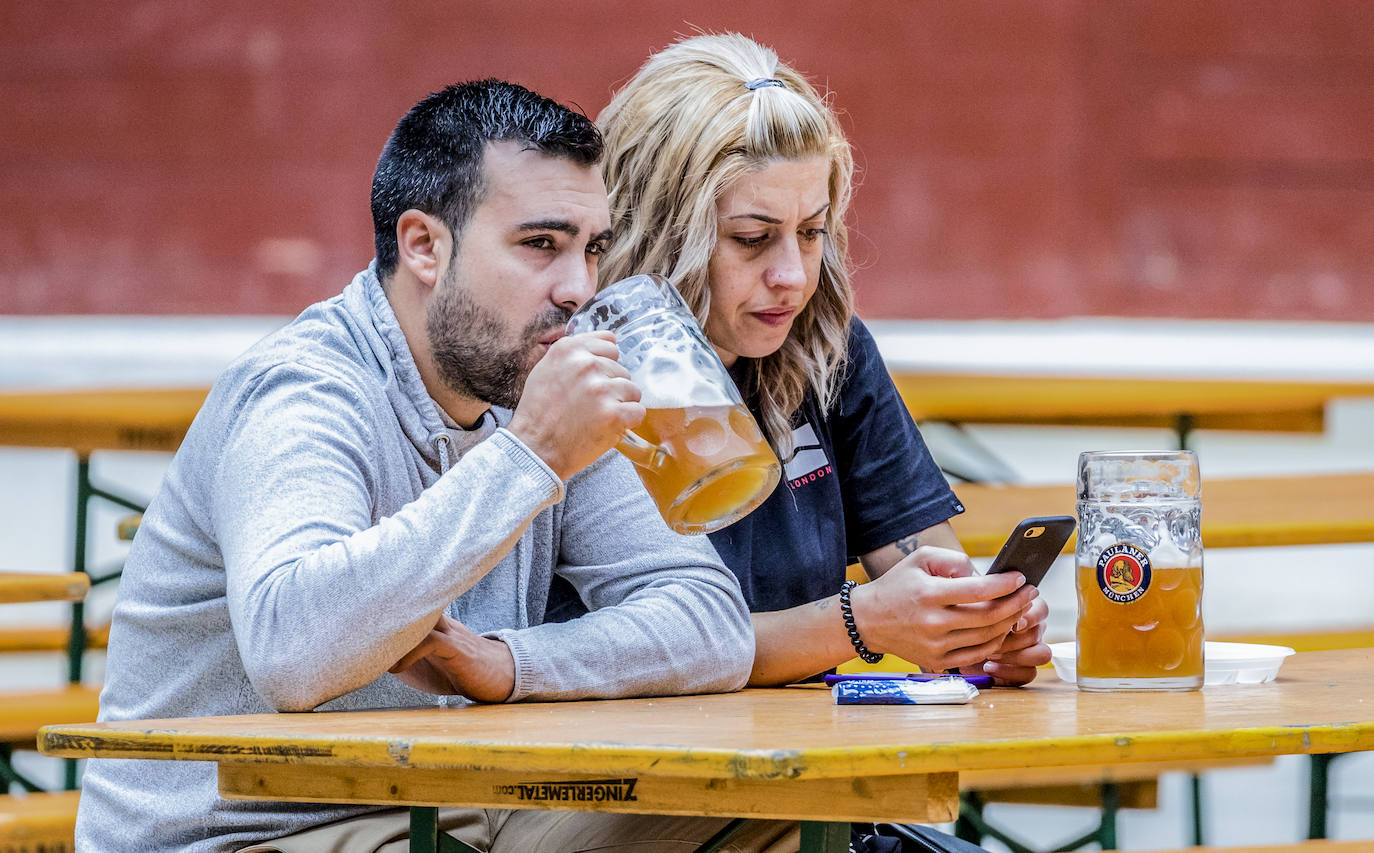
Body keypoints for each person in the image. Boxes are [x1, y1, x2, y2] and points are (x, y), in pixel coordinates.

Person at [75, 79, 782, 853]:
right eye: (541, 244)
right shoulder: (307, 388)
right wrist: (532, 455)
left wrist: (510, 665)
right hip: (252, 831)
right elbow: (292, 651)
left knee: (771, 815)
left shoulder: (530, 378)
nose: (578, 288)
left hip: (458, 808)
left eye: (592, 247)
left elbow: (710, 621)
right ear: (423, 246)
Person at [553, 32, 1050, 691]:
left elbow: (932, 569)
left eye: (813, 231)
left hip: (812, 766)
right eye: (752, 238)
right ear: (656, 231)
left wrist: (975, 626)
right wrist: (862, 619)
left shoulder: (828, 348)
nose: (791, 274)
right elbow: (663, 647)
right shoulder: (581, 377)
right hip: (629, 764)